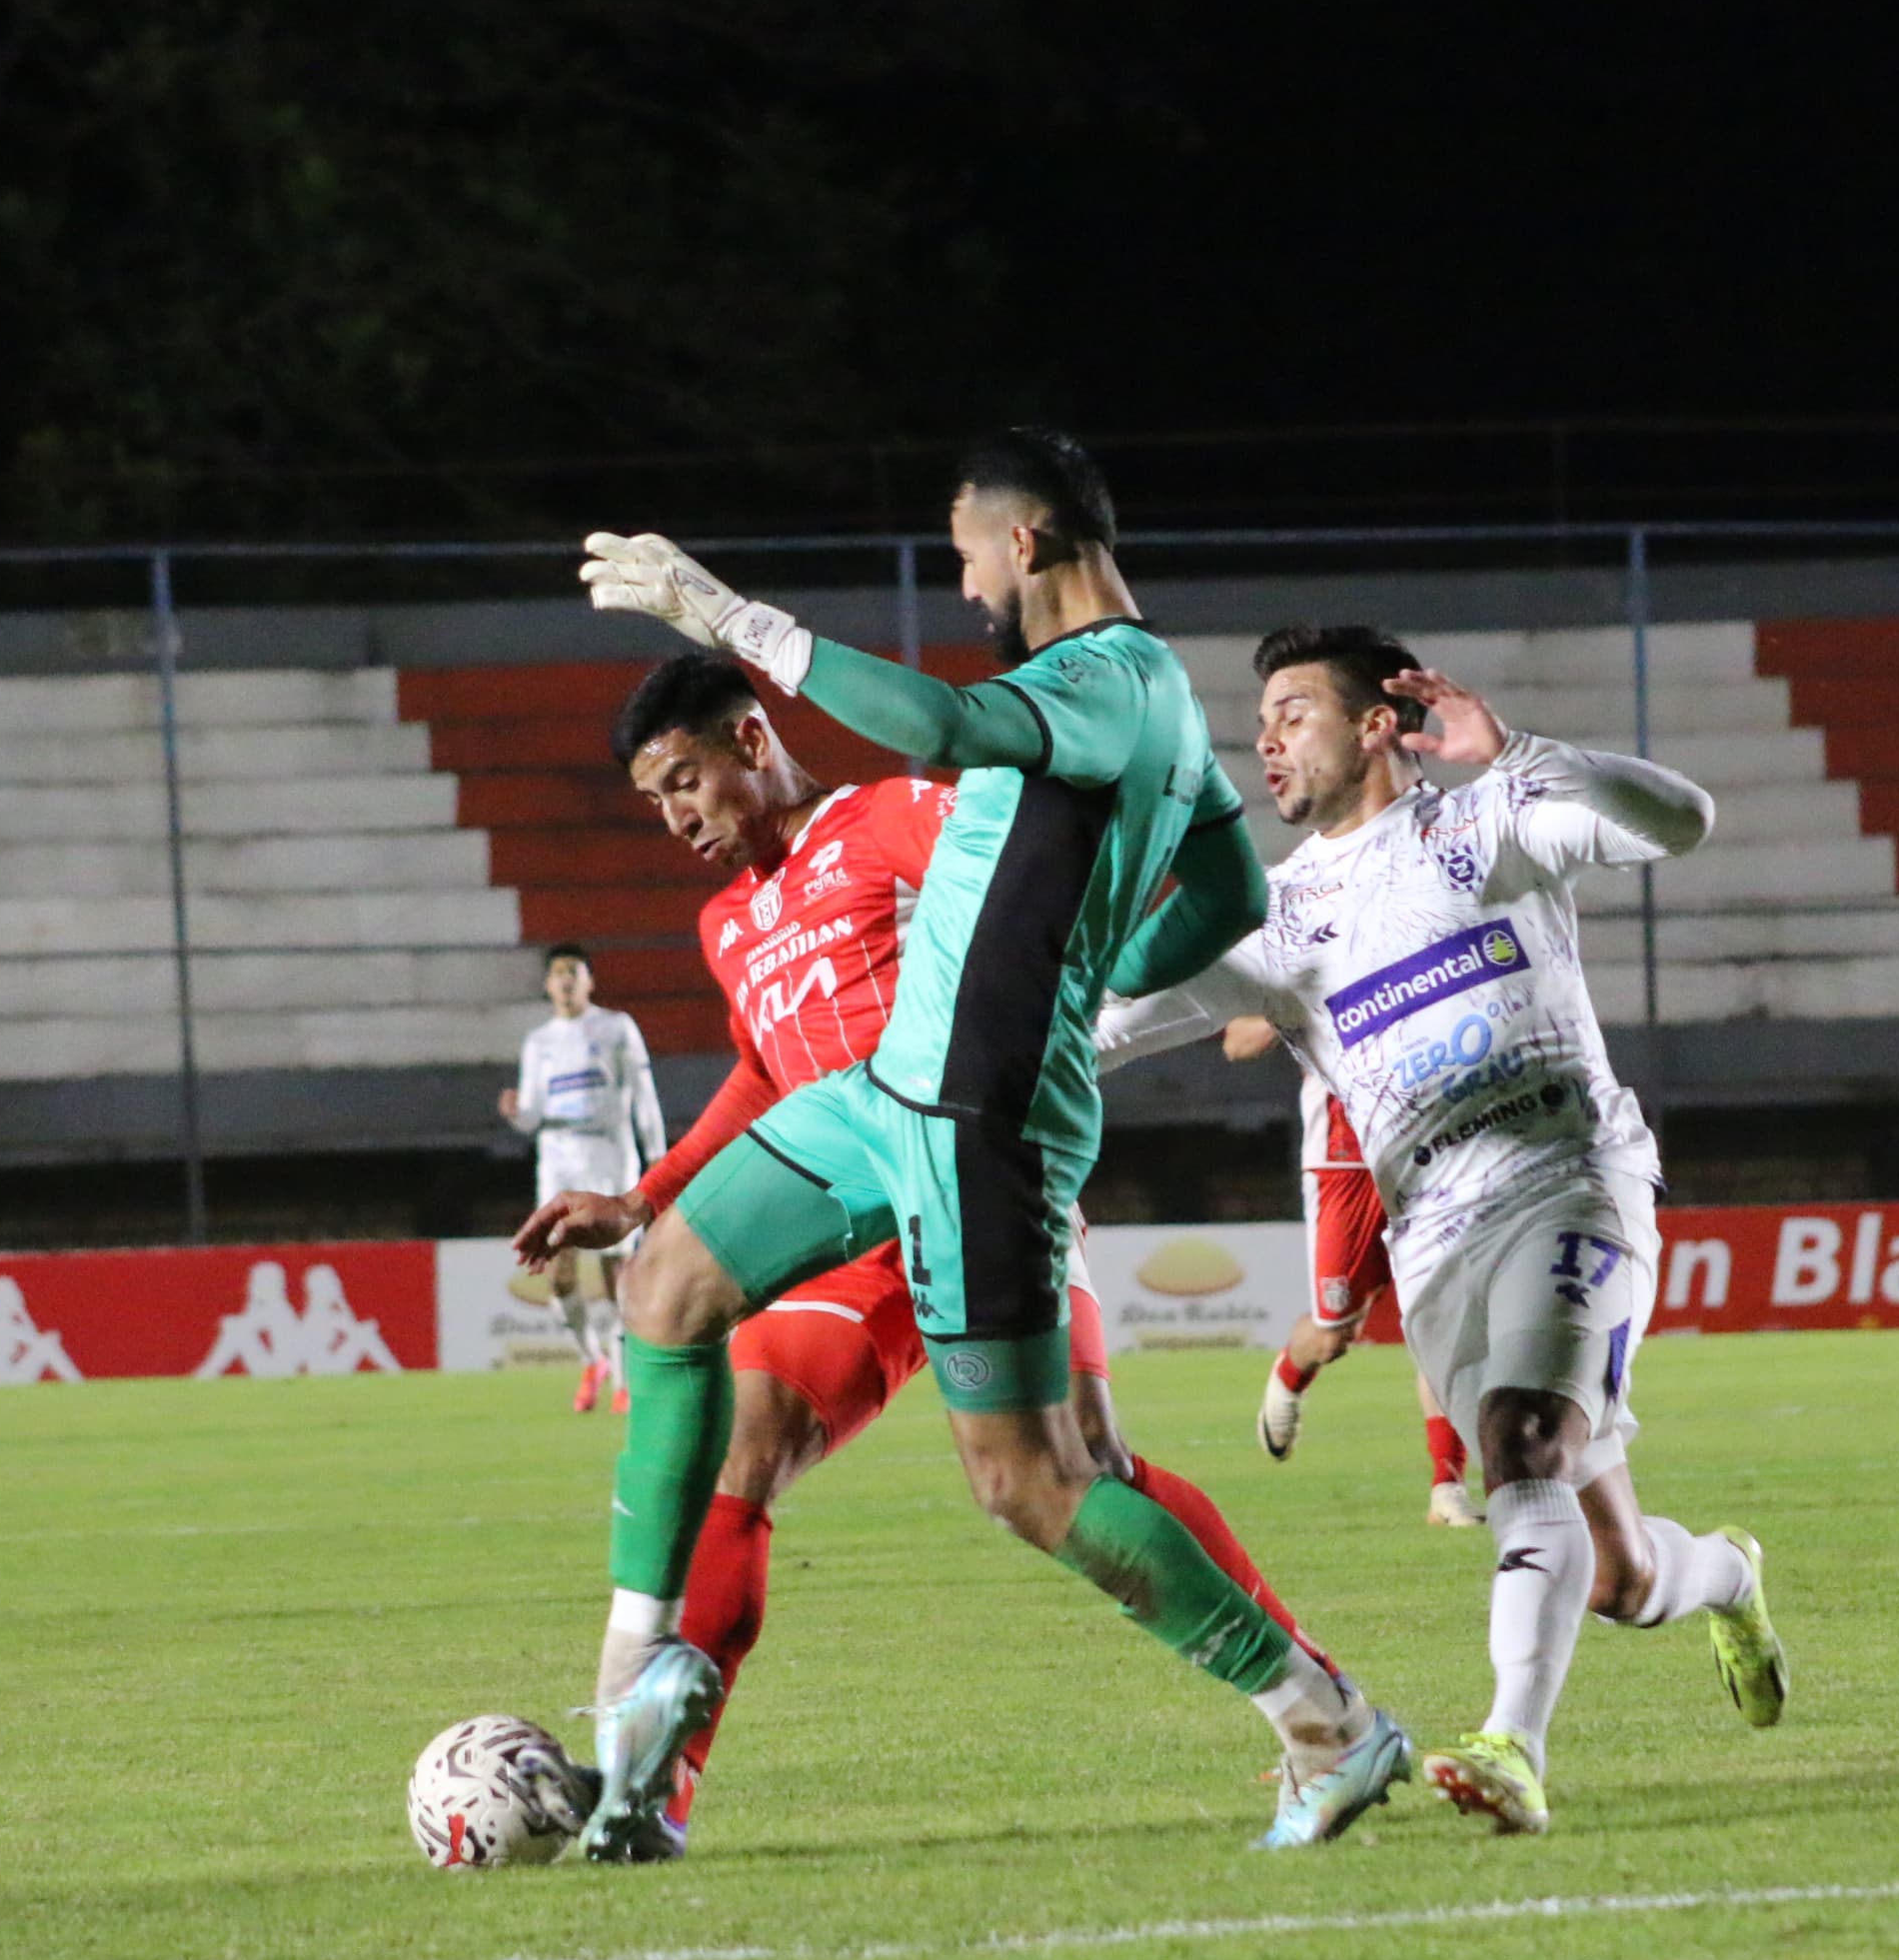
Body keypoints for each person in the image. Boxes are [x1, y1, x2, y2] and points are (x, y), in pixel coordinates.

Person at [544, 428, 1403, 1855]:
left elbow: (944, 732)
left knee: (1036, 1481)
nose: (962, 584)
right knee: (668, 1291)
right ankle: (640, 1684)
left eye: (965, 552)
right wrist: (1092, 971)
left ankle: (1327, 1720)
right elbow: (1232, 887)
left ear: (1035, 540)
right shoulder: (1161, 707)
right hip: (895, 1090)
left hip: (973, 1118)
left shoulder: (1103, 678)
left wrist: (732, 621)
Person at [1099, 623, 1788, 1838]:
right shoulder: (1273, 914)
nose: (1265, 739)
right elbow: (1103, 1026)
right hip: (1438, 1241)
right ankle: (1727, 1571)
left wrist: (1518, 751)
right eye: (1260, 720)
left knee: (1525, 1442)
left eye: (1295, 711)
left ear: (1379, 722)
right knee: (1619, 1574)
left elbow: (1685, 818)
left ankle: (1513, 1745)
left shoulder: (1486, 824)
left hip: (1574, 1178)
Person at [1234, 1047, 1481, 1525]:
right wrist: (1278, 1008)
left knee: (1442, 1324)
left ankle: (1447, 1488)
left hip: (1427, 1155)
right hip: (1344, 1163)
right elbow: (1236, 1041)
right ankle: (1290, 1372)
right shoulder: (1297, 969)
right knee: (1333, 1336)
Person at [500, 944, 665, 1409]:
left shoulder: (615, 1027)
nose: (566, 980)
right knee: (557, 1274)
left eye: (574, 972)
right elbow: (532, 1115)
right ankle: (593, 1360)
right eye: (558, 973)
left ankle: (625, 1382)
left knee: (617, 1271)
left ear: (590, 980)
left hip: (609, 1156)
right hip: (557, 1162)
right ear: (547, 984)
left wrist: (657, 1155)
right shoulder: (539, 1042)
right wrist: (517, 1114)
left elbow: (643, 1094)